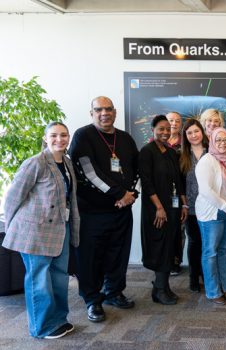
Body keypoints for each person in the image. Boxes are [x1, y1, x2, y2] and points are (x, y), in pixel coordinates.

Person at [3, 122, 79, 339]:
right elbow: (12, 198)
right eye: (54, 135)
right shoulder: (35, 163)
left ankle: (58, 320)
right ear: (45, 138)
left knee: (59, 276)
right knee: (39, 279)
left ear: (68, 138)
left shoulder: (66, 162)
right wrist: (13, 229)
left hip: (59, 228)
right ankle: (41, 327)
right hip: (34, 232)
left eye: (63, 135)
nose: (59, 139)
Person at [69, 96, 139, 323]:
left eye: (108, 109)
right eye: (99, 109)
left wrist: (131, 195)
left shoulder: (126, 139)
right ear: (92, 113)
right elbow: (88, 172)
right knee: (91, 258)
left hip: (121, 211)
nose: (104, 113)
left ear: (115, 112)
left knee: (118, 254)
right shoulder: (83, 136)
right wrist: (119, 194)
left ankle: (114, 292)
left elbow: (137, 171)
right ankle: (93, 300)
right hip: (92, 213)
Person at [139, 115, 188, 305]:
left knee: (170, 245)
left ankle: (164, 286)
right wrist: (159, 207)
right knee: (160, 247)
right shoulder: (146, 151)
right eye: (161, 129)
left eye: (168, 129)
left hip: (173, 206)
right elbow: (147, 182)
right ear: (153, 129)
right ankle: (159, 289)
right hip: (156, 209)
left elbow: (177, 180)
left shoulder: (170, 152)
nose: (165, 132)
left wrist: (183, 204)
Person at [195, 127, 226, 305]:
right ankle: (212, 291)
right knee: (210, 253)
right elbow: (205, 191)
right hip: (212, 213)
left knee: (224, 252)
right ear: (212, 142)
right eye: (218, 140)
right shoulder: (206, 161)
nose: (222, 143)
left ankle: (225, 287)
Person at [180, 118, 209, 292]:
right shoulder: (181, 155)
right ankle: (193, 277)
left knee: (208, 243)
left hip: (209, 206)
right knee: (194, 242)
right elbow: (179, 183)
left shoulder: (211, 152)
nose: (193, 135)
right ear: (185, 136)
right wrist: (183, 205)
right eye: (189, 133)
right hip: (190, 207)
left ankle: (205, 275)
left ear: (202, 132)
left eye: (196, 131)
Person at [165, 111, 184, 276]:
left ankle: (176, 260)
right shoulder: (156, 142)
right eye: (171, 120)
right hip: (163, 192)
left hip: (179, 191)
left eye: (177, 121)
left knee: (179, 227)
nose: (174, 123)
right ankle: (166, 259)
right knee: (165, 226)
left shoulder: (185, 143)